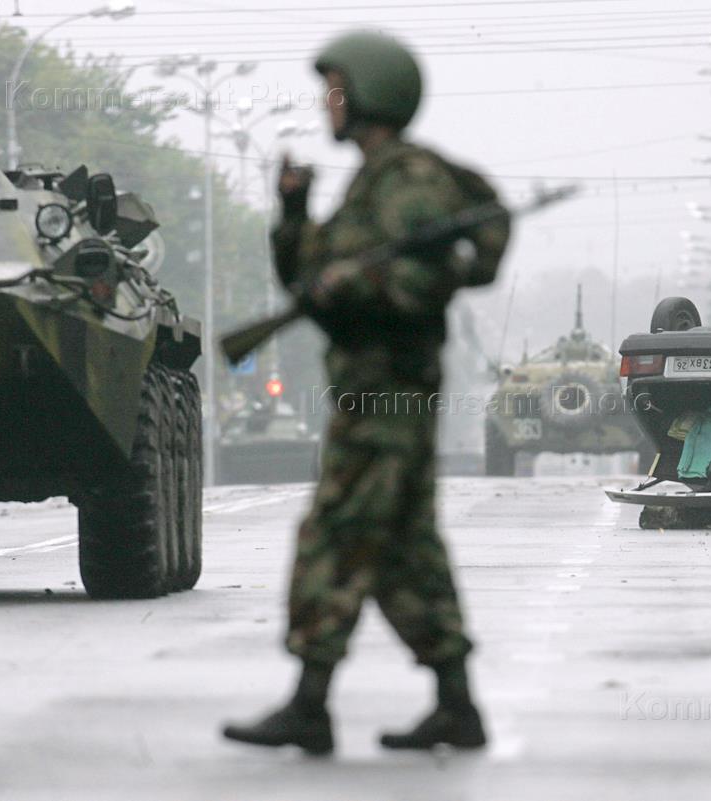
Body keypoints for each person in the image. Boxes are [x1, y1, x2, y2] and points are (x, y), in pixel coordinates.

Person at [221, 31, 509, 755]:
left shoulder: (409, 179)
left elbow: (425, 283)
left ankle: (309, 703)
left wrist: (358, 286)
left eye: (336, 90)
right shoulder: (371, 181)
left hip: (389, 393)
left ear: (371, 95)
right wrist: (294, 212)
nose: (327, 104)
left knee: (336, 534)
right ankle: (456, 706)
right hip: (371, 391)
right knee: (405, 549)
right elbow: (308, 279)